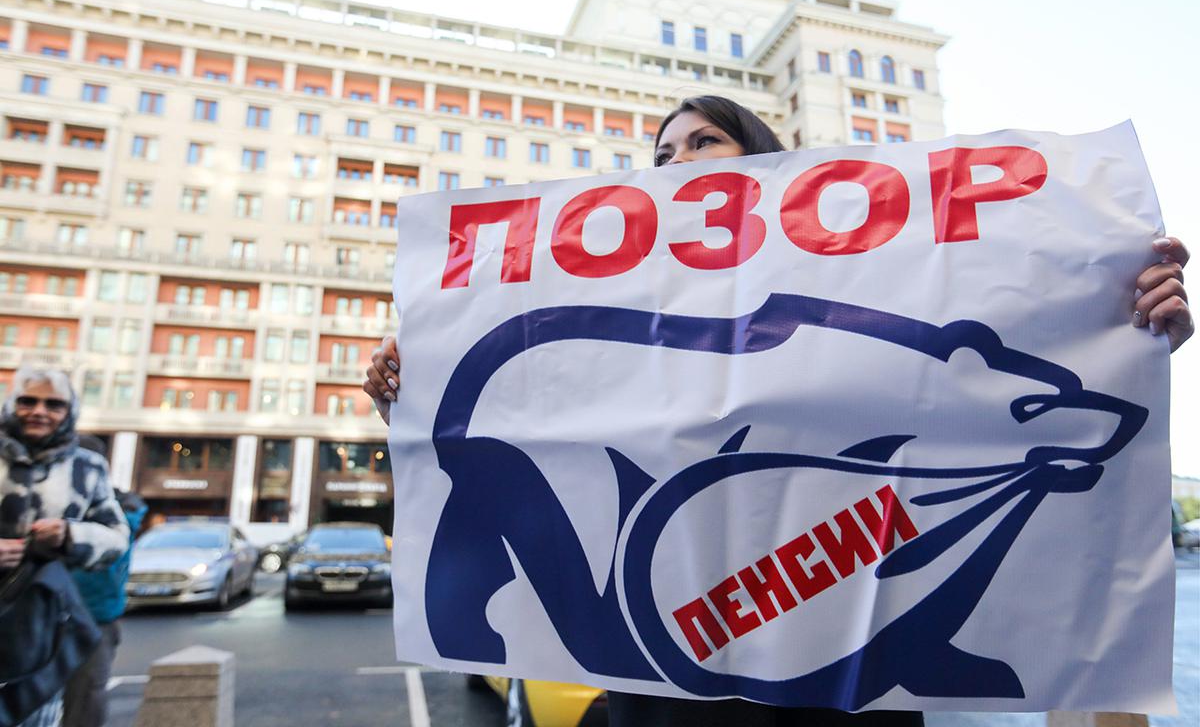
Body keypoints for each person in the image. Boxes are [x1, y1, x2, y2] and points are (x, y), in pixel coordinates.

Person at [362, 95, 1193, 725]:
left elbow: (980, 388)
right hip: (659, 687)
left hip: (833, 690)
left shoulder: (859, 299)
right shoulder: (605, 321)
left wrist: (1126, 331)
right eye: (662, 151)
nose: (677, 158)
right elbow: (500, 445)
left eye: (703, 141)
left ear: (759, 163)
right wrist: (411, 395)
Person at [0, 368, 131, 727]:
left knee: (35, 714)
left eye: (54, 404)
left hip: (39, 625)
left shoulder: (86, 467)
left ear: (68, 411)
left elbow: (117, 537)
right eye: (28, 401)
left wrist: (71, 536)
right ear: (11, 404)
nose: (39, 411)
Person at [62, 487, 147, 727]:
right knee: (85, 697)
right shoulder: (119, 515)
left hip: (87, 615)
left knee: (82, 697)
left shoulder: (105, 516)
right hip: (99, 616)